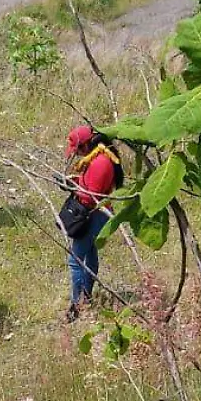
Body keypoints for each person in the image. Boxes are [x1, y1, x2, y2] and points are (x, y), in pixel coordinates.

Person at [62, 125, 122, 320]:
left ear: (87, 144)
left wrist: (73, 186)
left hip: (94, 214)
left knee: (75, 260)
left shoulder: (100, 163)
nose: (77, 154)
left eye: (78, 150)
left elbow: (91, 198)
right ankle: (85, 297)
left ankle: (77, 304)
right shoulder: (97, 158)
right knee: (89, 254)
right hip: (97, 212)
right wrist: (78, 181)